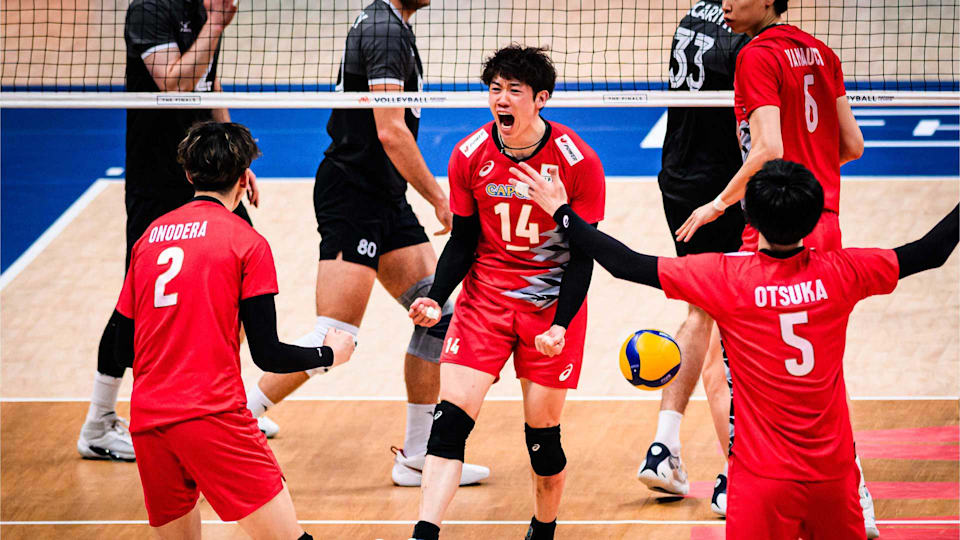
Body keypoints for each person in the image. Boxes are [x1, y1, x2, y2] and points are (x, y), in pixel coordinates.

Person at [513, 157, 958, 540]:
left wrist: (562, 212)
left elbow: (623, 263)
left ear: (750, 218)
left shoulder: (724, 278)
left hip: (759, 483)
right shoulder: (843, 272)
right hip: (833, 477)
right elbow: (932, 250)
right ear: (814, 216)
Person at [239, 0, 489, 487]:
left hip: (384, 197)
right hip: (353, 195)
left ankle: (417, 454)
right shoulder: (385, 32)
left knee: (438, 317)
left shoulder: (391, 26)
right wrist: (442, 200)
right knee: (335, 338)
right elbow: (390, 130)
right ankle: (239, 417)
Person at [115, 121, 355, 539]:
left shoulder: (149, 238)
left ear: (189, 175)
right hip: (211, 416)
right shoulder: (247, 243)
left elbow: (123, 333)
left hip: (147, 420)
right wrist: (329, 354)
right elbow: (268, 353)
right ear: (245, 178)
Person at [406, 45, 606, 540]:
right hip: (484, 302)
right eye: (494, 89)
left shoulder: (578, 162)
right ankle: (424, 533)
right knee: (448, 424)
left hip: (550, 308)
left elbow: (584, 255)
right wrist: (437, 295)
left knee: (542, 440)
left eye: (513, 90)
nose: (501, 99)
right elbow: (463, 238)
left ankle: (543, 529)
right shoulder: (470, 155)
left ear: (540, 99)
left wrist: (561, 324)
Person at [77, 0, 258, 462]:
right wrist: (216, 23)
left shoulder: (203, 8)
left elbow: (206, 82)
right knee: (137, 301)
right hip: (156, 179)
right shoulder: (150, 10)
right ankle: (98, 423)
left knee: (236, 283)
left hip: (206, 175)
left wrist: (234, 152)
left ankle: (222, 406)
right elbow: (175, 84)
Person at [639, 0, 750, 514]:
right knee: (733, 331)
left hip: (677, 181)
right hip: (719, 192)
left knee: (700, 313)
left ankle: (664, 447)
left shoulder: (696, 15)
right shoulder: (746, 34)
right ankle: (737, 472)